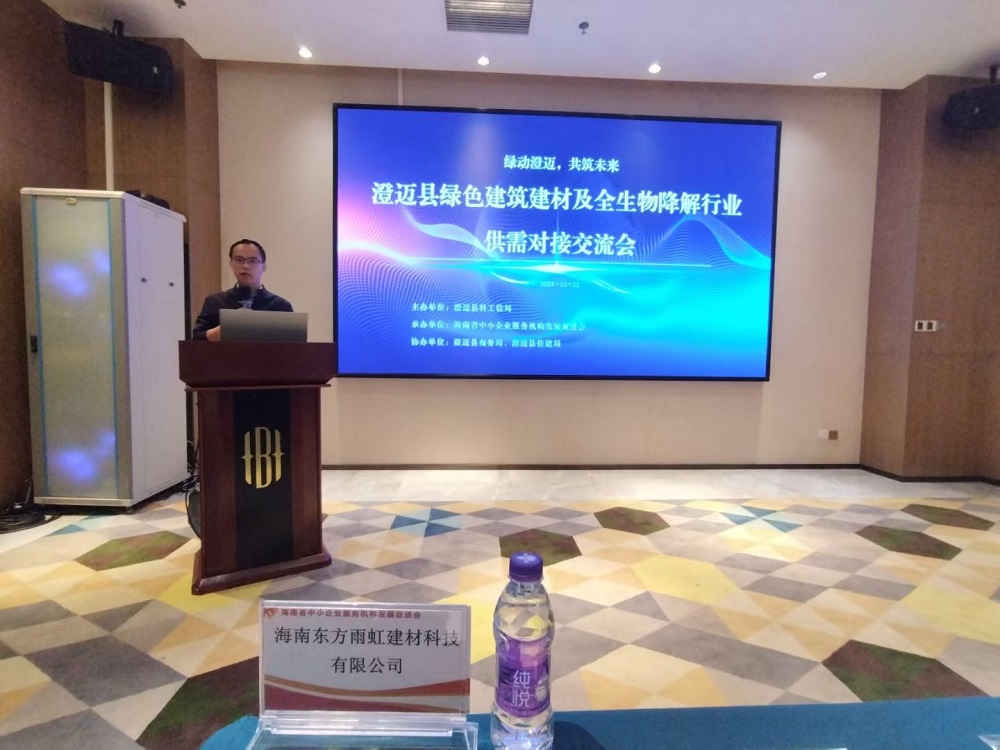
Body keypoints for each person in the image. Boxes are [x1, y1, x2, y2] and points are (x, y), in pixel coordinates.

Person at [192, 239, 293, 341]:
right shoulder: (214, 301)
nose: (245, 266)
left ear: (264, 267)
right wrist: (230, 326)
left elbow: (293, 345)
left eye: (252, 261)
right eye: (239, 260)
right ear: (231, 264)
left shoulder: (280, 306)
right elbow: (197, 339)